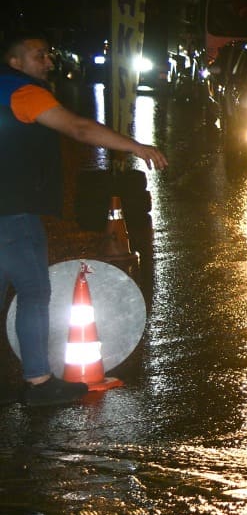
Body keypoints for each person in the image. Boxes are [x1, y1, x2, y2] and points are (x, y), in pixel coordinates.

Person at [2, 33, 168, 408]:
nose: (48, 62)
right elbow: (77, 128)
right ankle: (39, 382)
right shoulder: (23, 93)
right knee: (33, 292)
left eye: (48, 54)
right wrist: (135, 146)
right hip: (12, 213)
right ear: (15, 62)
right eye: (38, 55)